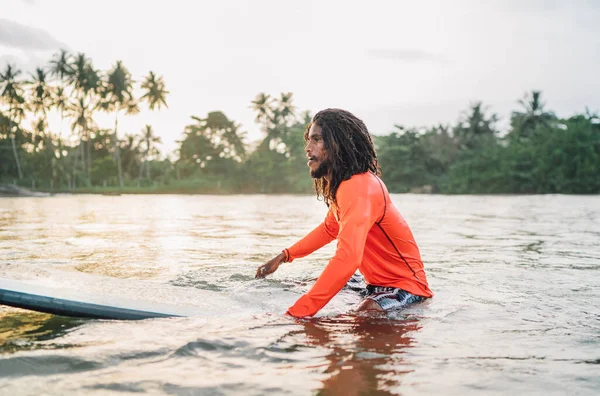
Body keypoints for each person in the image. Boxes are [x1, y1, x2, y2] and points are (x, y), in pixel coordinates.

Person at [255, 108, 433, 317]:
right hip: (373, 284)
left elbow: (348, 259)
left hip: (408, 288)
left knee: (364, 315)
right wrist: (285, 256)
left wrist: (295, 315)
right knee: (301, 284)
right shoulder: (347, 186)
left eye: (317, 140)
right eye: (309, 140)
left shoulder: (359, 187)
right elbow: (329, 229)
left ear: (337, 145)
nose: (308, 148)